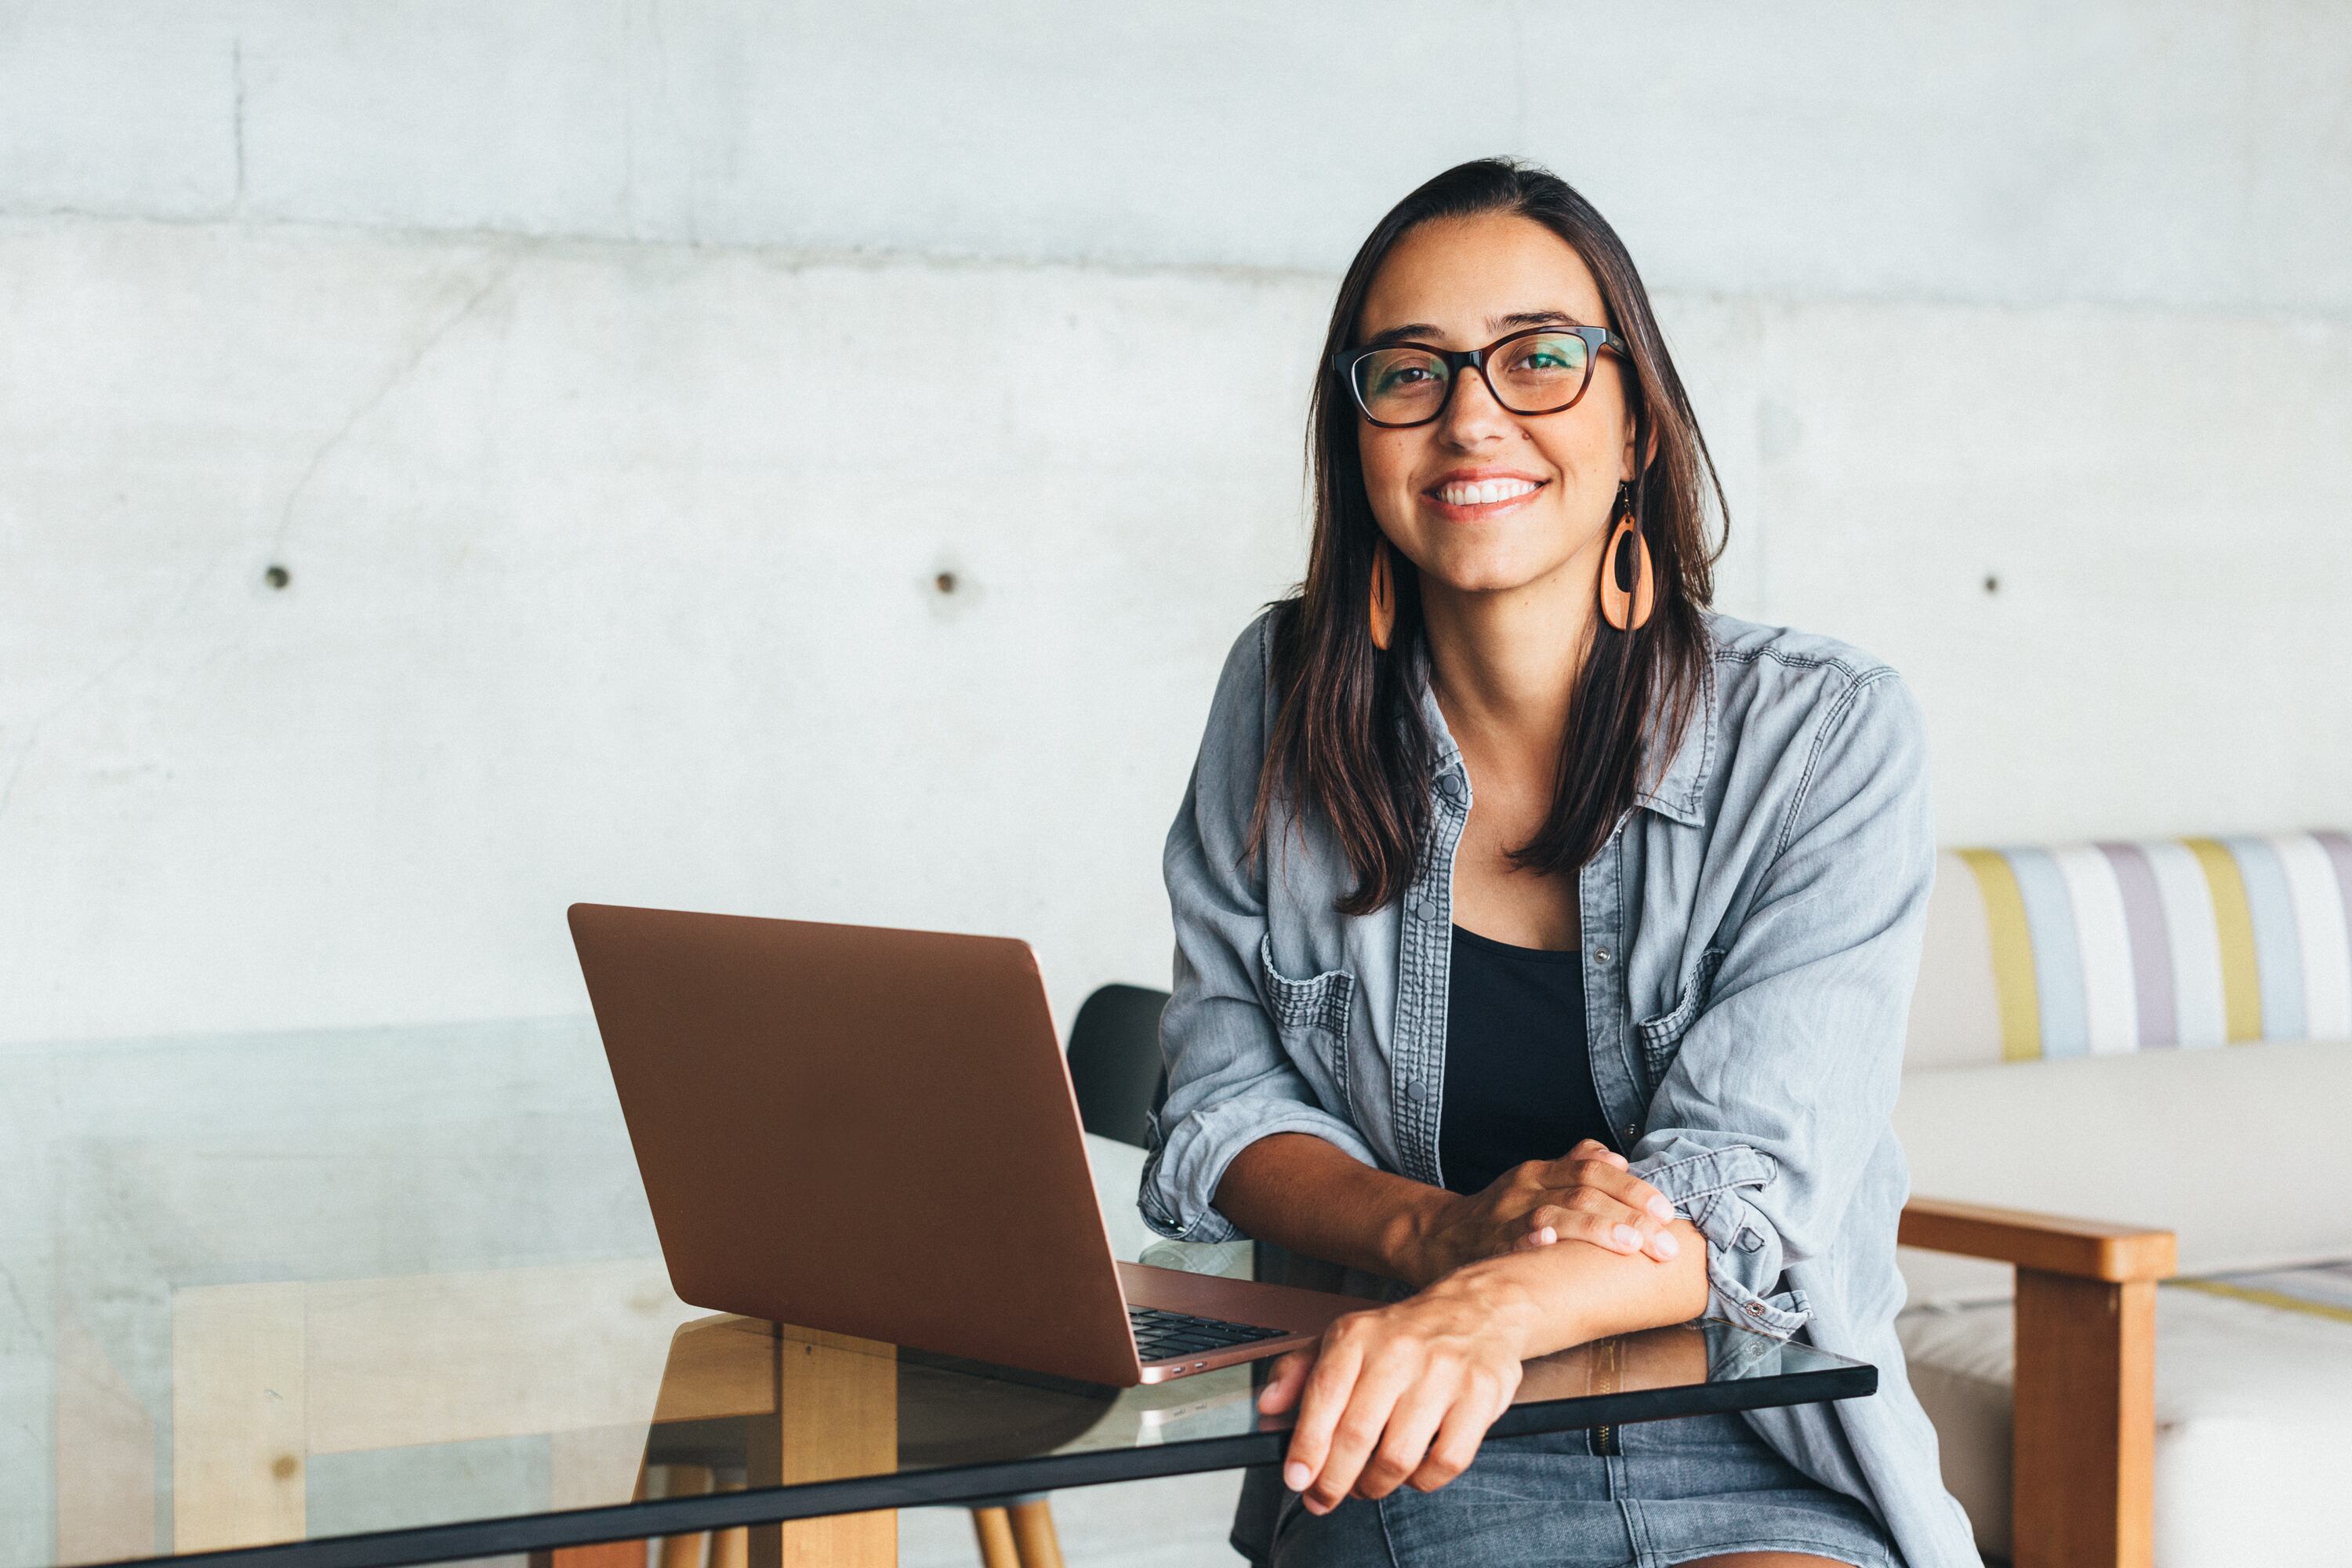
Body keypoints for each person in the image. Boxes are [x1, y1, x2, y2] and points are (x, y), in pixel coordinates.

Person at [1140, 159, 1980, 1568]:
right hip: (1419, 1457)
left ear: (1637, 418)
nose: (1473, 415)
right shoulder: (1282, 694)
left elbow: (1744, 1190)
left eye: (1539, 359)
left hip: (1765, 1445)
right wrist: (1436, 1238)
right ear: (1359, 438)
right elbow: (1223, 1095)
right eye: (1408, 371)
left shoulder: (1826, 734)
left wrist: (1486, 1305)